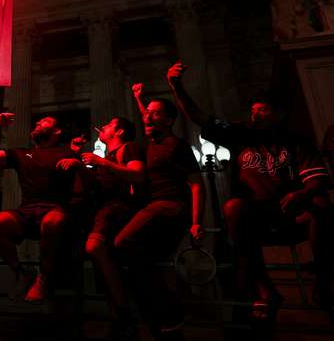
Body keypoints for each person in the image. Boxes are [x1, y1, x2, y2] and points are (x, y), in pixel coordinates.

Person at [167, 61, 333, 320]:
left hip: (292, 209)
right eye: (253, 109)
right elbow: (199, 117)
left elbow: (318, 179)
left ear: (278, 114)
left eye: (263, 110)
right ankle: (263, 289)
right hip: (258, 212)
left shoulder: (296, 142)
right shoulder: (241, 134)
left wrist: (302, 194)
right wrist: (175, 85)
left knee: (321, 204)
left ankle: (325, 281)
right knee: (233, 207)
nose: (255, 114)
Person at [117, 88, 205, 339]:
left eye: (155, 114)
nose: (147, 117)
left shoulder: (177, 146)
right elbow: (146, 114)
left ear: (168, 121)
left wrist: (197, 222)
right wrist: (137, 98)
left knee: (123, 242)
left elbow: (197, 185)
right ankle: (163, 316)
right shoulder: (151, 144)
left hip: (169, 206)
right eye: (147, 114)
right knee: (143, 262)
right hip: (154, 208)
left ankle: (171, 309)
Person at [0, 115, 77, 303]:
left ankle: (43, 277)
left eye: (45, 121)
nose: (38, 122)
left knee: (53, 221)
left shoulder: (66, 153)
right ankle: (22, 273)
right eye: (38, 121)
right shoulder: (21, 153)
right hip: (27, 211)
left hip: (53, 209)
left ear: (57, 131)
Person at [78, 117, 145, 340]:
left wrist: (102, 163)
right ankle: (119, 317)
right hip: (104, 211)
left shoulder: (128, 148)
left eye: (108, 125)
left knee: (94, 247)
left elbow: (137, 174)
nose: (102, 127)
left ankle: (124, 312)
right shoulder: (107, 157)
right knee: (107, 265)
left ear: (119, 131)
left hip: (118, 209)